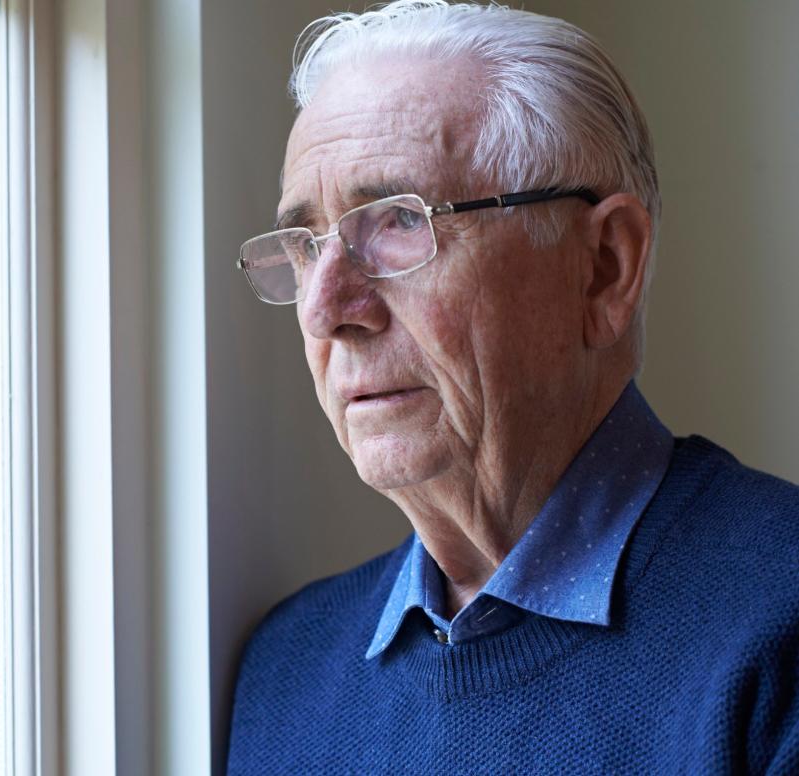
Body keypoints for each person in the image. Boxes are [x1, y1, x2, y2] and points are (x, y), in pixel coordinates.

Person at [226, 1, 799, 773]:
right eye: (305, 247)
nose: (326, 310)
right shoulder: (286, 668)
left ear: (603, 269)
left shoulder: (778, 616)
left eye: (397, 221)